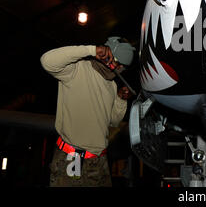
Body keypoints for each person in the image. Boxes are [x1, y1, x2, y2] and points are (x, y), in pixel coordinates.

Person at [40, 37, 136, 187]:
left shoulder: (111, 86)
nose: (119, 69)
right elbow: (47, 61)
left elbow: (113, 121)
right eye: (118, 63)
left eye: (122, 67)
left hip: (99, 161)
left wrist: (120, 100)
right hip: (73, 158)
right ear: (108, 55)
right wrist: (91, 49)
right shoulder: (76, 69)